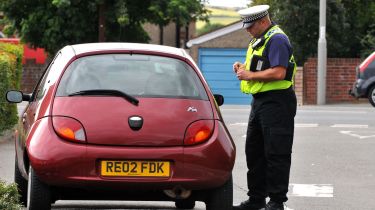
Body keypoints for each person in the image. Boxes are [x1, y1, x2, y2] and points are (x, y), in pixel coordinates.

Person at [232, 5, 297, 210]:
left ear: (263, 21)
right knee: (255, 151)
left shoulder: (277, 39)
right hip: (260, 102)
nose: (247, 30)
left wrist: (250, 75)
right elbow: (261, 67)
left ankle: (277, 202)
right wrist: (243, 69)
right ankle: (256, 199)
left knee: (276, 152)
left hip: (277, 102)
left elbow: (279, 72)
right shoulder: (258, 40)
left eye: (250, 26)